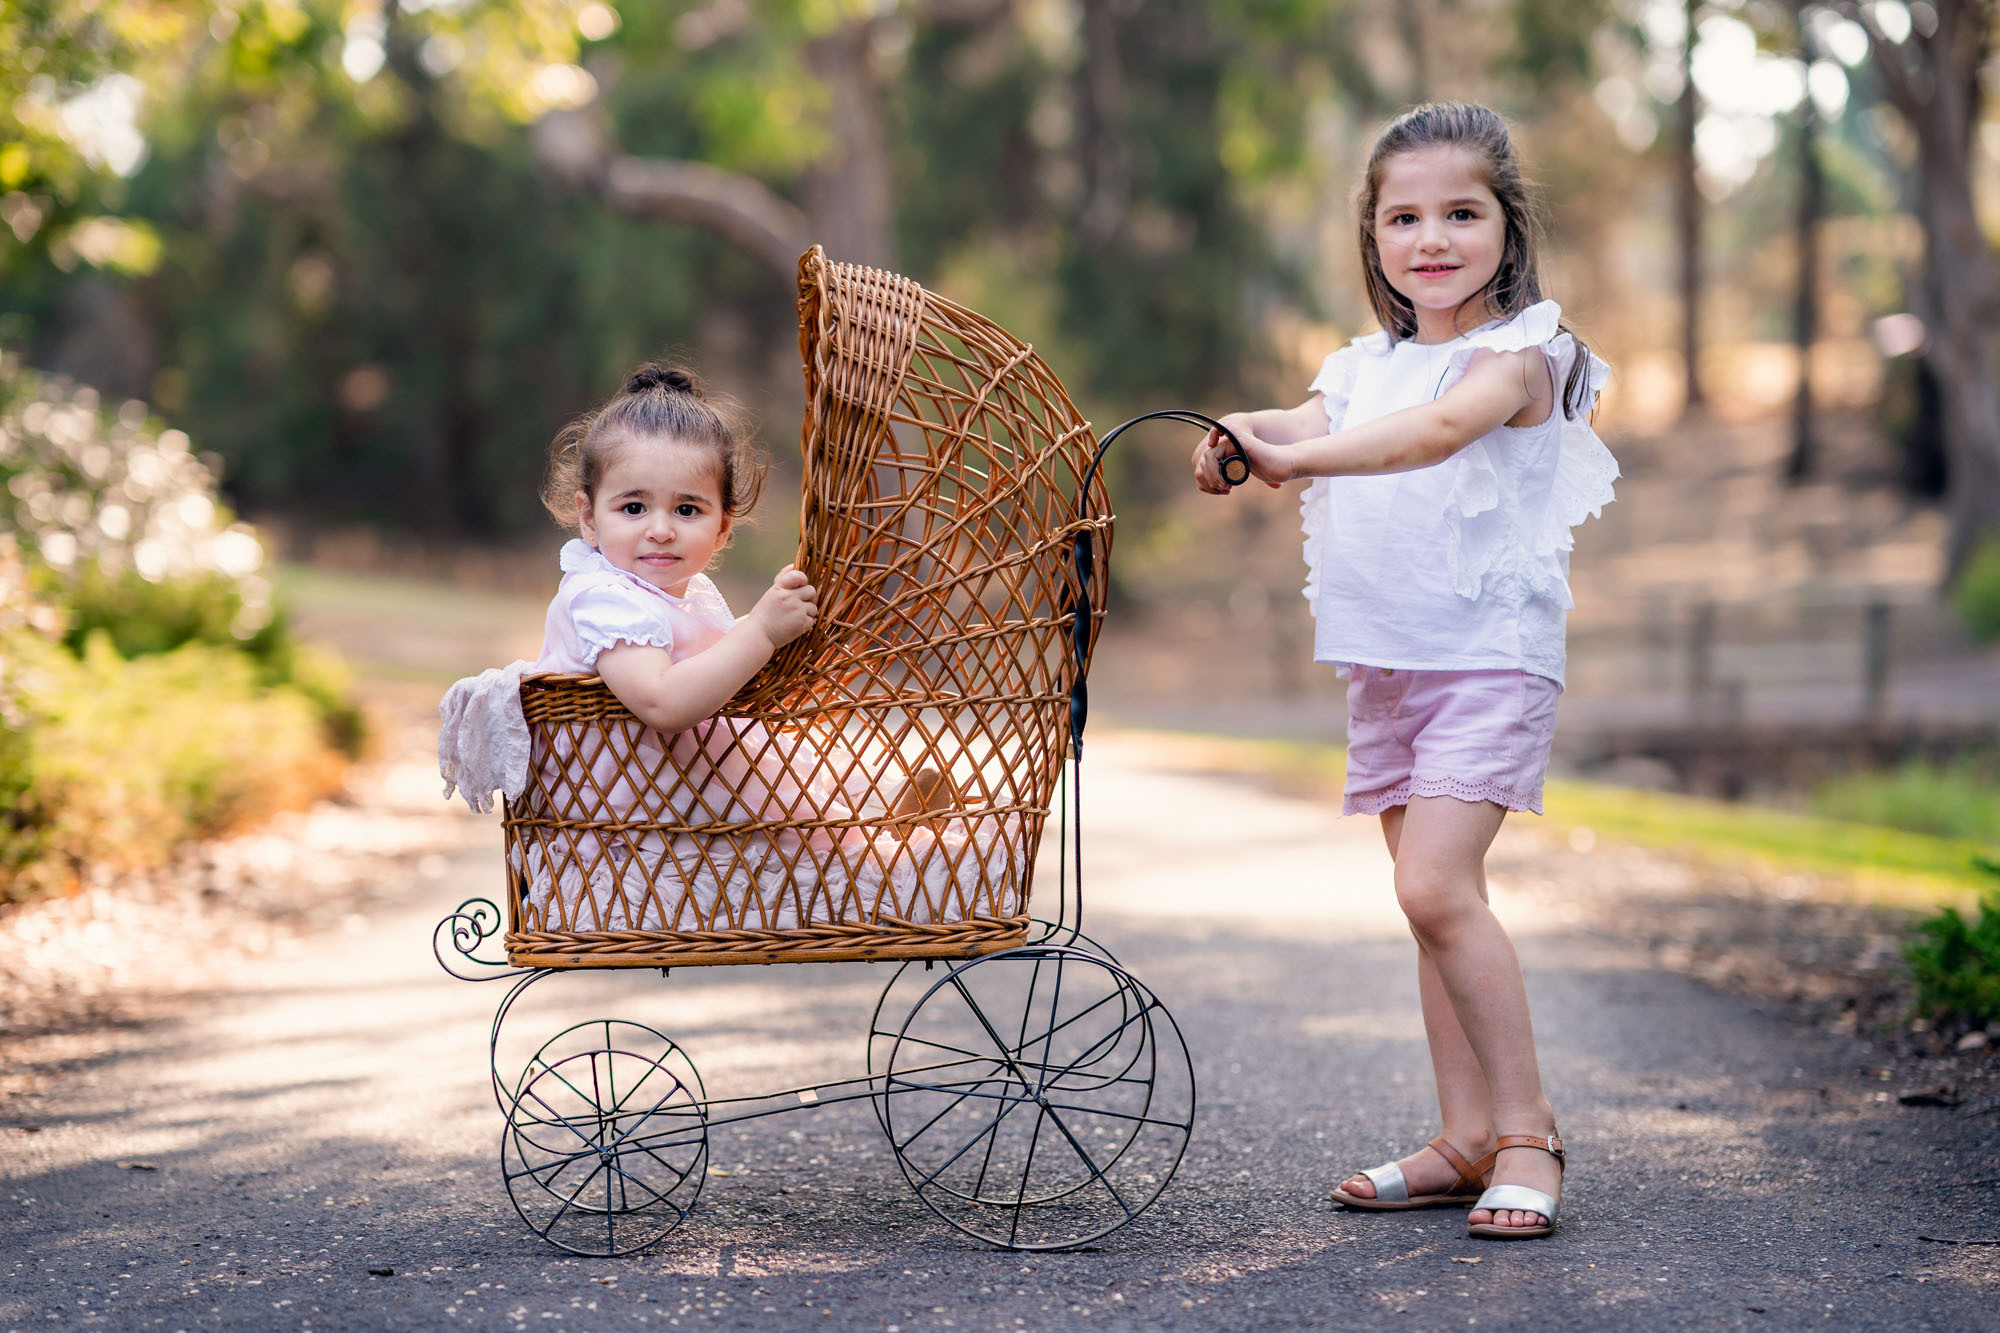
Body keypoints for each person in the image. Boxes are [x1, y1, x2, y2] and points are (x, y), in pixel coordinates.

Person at [1190, 103, 1617, 1241]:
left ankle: (1527, 1134)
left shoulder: (1524, 356)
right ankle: (1462, 1136)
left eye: (1459, 213)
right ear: (1372, 236)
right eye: (1403, 217)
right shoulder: (1360, 365)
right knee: (1430, 910)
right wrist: (1242, 429)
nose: (1430, 238)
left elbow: (1432, 434)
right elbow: (1307, 414)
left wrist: (1292, 458)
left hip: (1485, 659)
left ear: (1505, 226)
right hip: (1387, 664)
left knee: (1435, 886)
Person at [454, 361, 981, 935]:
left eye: (687, 509)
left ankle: (872, 836)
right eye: (633, 508)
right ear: (588, 517)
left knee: (807, 780)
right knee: (796, 806)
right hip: (630, 810)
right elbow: (663, 703)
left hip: (687, 785)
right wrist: (758, 632)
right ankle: (871, 858)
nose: (661, 528)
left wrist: (781, 637)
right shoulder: (601, 598)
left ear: (724, 527)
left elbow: (724, 674)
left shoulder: (689, 594)